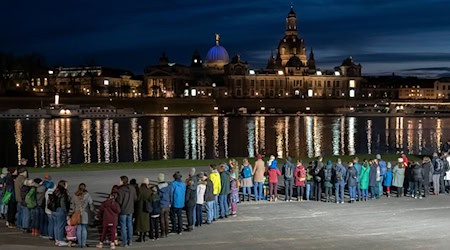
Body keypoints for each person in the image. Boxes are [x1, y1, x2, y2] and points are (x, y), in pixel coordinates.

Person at [70, 183, 94, 248]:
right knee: (84, 228)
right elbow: (91, 203)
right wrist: (91, 210)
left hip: (77, 213)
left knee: (78, 228)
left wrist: (72, 212)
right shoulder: (87, 195)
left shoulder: (75, 195)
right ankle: (83, 243)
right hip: (85, 213)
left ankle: (79, 243)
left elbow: (72, 205)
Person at [116, 176, 137, 247]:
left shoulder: (120, 190)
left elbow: (119, 201)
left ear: (122, 181)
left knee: (123, 226)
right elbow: (135, 198)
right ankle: (130, 240)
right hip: (130, 209)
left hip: (123, 210)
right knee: (129, 225)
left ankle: (124, 242)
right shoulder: (132, 188)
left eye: (120, 180)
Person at [53, 180, 70, 247]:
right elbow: (63, 203)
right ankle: (60, 240)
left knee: (56, 226)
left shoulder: (55, 191)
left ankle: (57, 240)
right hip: (61, 210)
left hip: (54, 210)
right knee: (61, 226)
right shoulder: (63, 193)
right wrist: (66, 212)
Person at [135, 178, 151, 242]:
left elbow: (137, 198)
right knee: (145, 223)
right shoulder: (149, 190)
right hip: (147, 209)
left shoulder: (140, 190)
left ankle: (141, 237)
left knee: (140, 223)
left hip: (140, 208)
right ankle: (144, 236)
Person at [157, 173, 172, 238]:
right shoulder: (168, 186)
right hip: (167, 204)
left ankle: (163, 232)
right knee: (166, 218)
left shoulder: (158, 188)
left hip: (161, 205)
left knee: (162, 219)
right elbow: (170, 195)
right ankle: (167, 232)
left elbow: (158, 197)